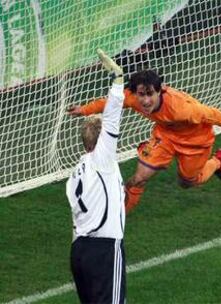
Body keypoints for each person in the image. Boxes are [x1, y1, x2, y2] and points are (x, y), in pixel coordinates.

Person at [68, 70, 221, 213]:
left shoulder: (181, 109)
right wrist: (84, 110)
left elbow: (212, 114)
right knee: (139, 178)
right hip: (165, 135)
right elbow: (109, 102)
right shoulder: (133, 98)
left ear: (160, 91)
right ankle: (120, 215)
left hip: (195, 140)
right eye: (141, 94)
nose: (146, 100)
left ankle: (217, 161)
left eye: (150, 94)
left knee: (188, 182)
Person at [66, 49, 126, 303]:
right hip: (103, 250)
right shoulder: (102, 160)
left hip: (79, 251)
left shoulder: (76, 172)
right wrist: (118, 78)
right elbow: (112, 119)